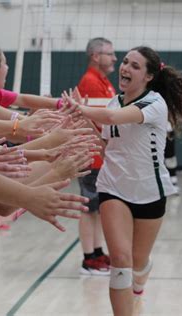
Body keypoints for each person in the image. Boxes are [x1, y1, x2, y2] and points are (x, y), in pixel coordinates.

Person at [64, 46, 182, 315]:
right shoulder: (115, 101)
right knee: (120, 261)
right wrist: (80, 118)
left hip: (150, 191)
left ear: (148, 76)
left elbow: (114, 118)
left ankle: (138, 290)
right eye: (125, 62)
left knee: (138, 262)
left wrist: (83, 108)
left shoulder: (154, 103)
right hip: (114, 189)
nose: (125, 68)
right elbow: (105, 144)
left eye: (135, 66)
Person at [76, 37, 117, 275]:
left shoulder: (104, 82)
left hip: (102, 155)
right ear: (95, 56)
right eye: (109, 54)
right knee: (89, 207)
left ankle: (97, 251)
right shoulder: (91, 82)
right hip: (92, 155)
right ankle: (88, 257)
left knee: (99, 208)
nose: (114, 58)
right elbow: (101, 122)